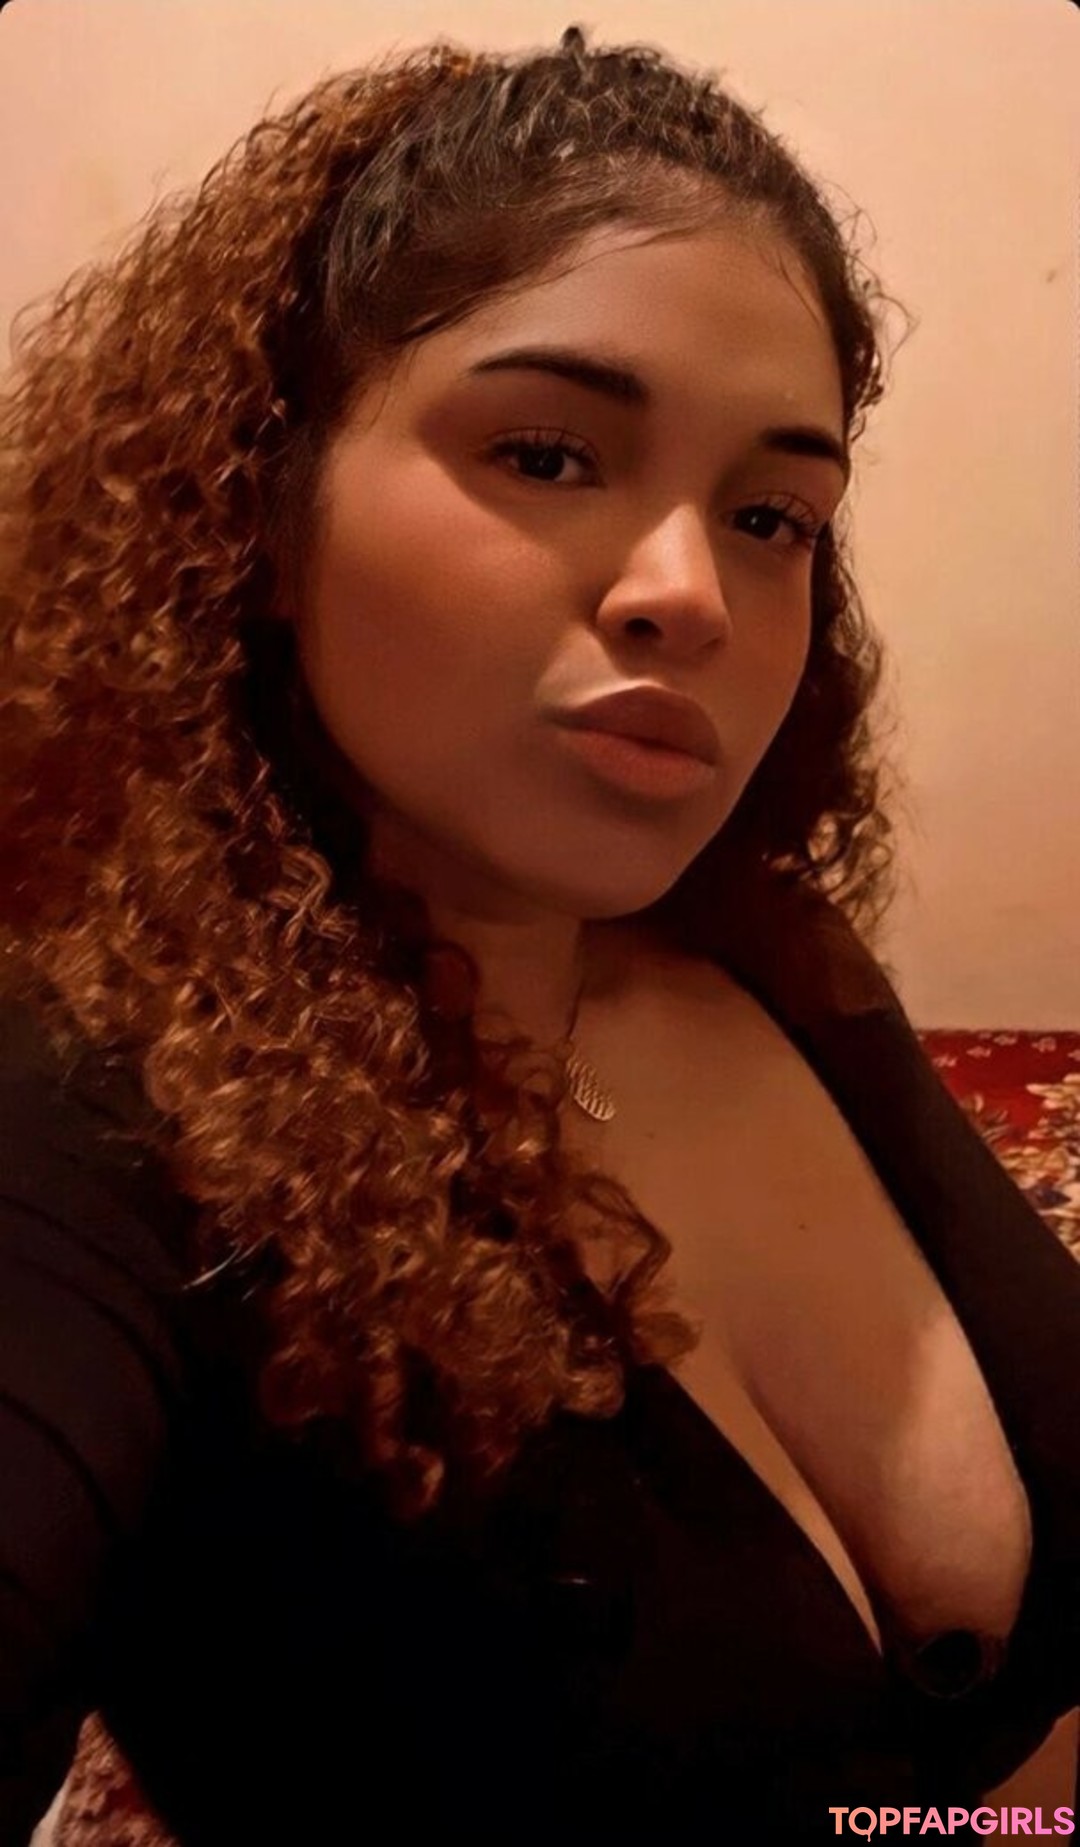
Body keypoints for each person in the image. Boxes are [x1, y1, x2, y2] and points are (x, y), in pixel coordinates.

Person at [1, 25, 1077, 1845]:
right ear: (259, 499)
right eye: (547, 452)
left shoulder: (770, 956)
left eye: (772, 515)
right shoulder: (93, 1128)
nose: (690, 592)